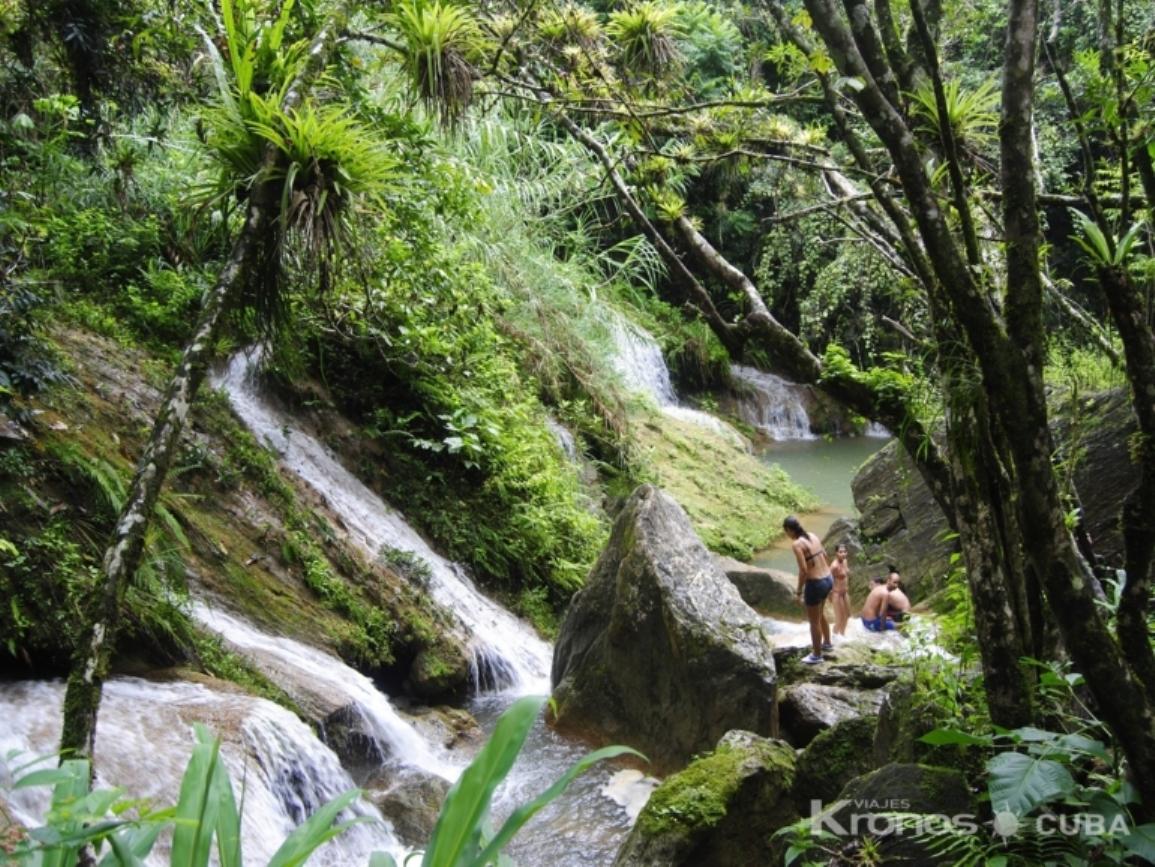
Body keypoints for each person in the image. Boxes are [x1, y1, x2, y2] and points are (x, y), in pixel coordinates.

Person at [785, 515, 833, 664]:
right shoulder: (812, 535)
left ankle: (817, 655)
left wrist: (799, 591)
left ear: (789, 530)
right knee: (820, 614)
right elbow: (825, 555)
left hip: (816, 584)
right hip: (828, 579)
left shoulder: (797, 544)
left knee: (814, 622)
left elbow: (804, 571)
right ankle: (827, 643)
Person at [830, 544, 851, 636]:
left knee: (847, 616)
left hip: (845, 592)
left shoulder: (845, 561)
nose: (843, 554)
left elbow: (846, 575)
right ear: (836, 553)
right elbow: (828, 580)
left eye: (844, 552)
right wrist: (829, 596)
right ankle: (833, 637)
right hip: (837, 594)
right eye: (840, 552)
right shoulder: (834, 566)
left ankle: (842, 635)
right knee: (839, 619)